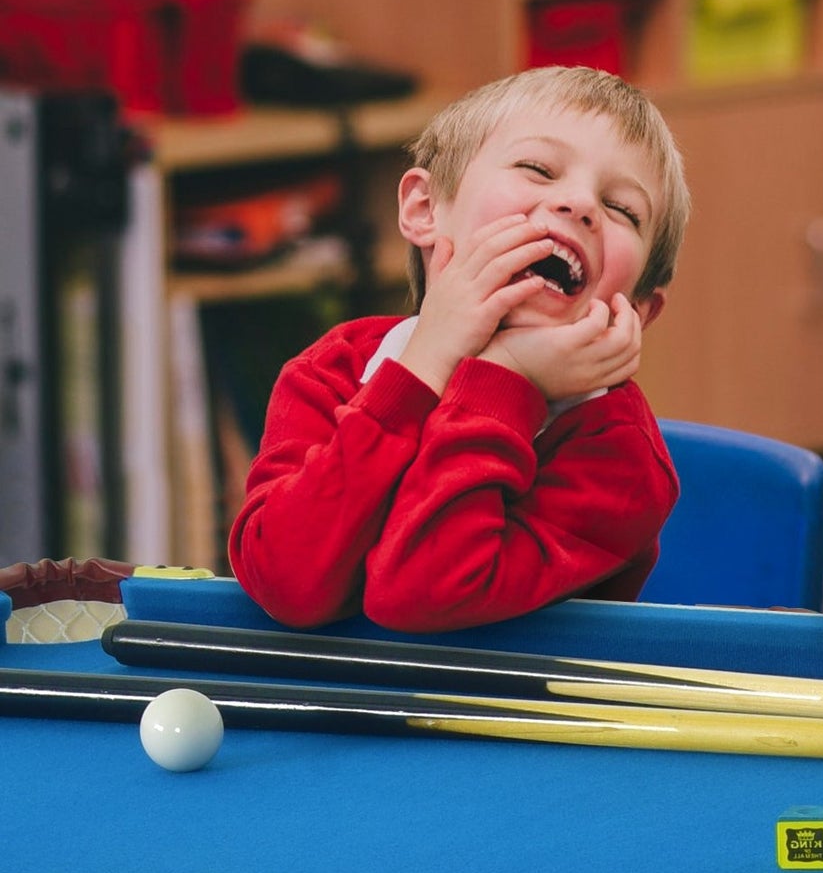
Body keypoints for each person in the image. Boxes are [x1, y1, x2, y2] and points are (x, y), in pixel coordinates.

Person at [229, 65, 690, 632]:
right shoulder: (336, 369)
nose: (579, 204)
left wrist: (505, 379)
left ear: (639, 309)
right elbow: (287, 583)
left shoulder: (621, 458)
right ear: (425, 210)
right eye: (538, 169)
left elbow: (420, 596)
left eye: (622, 210)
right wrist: (421, 368)